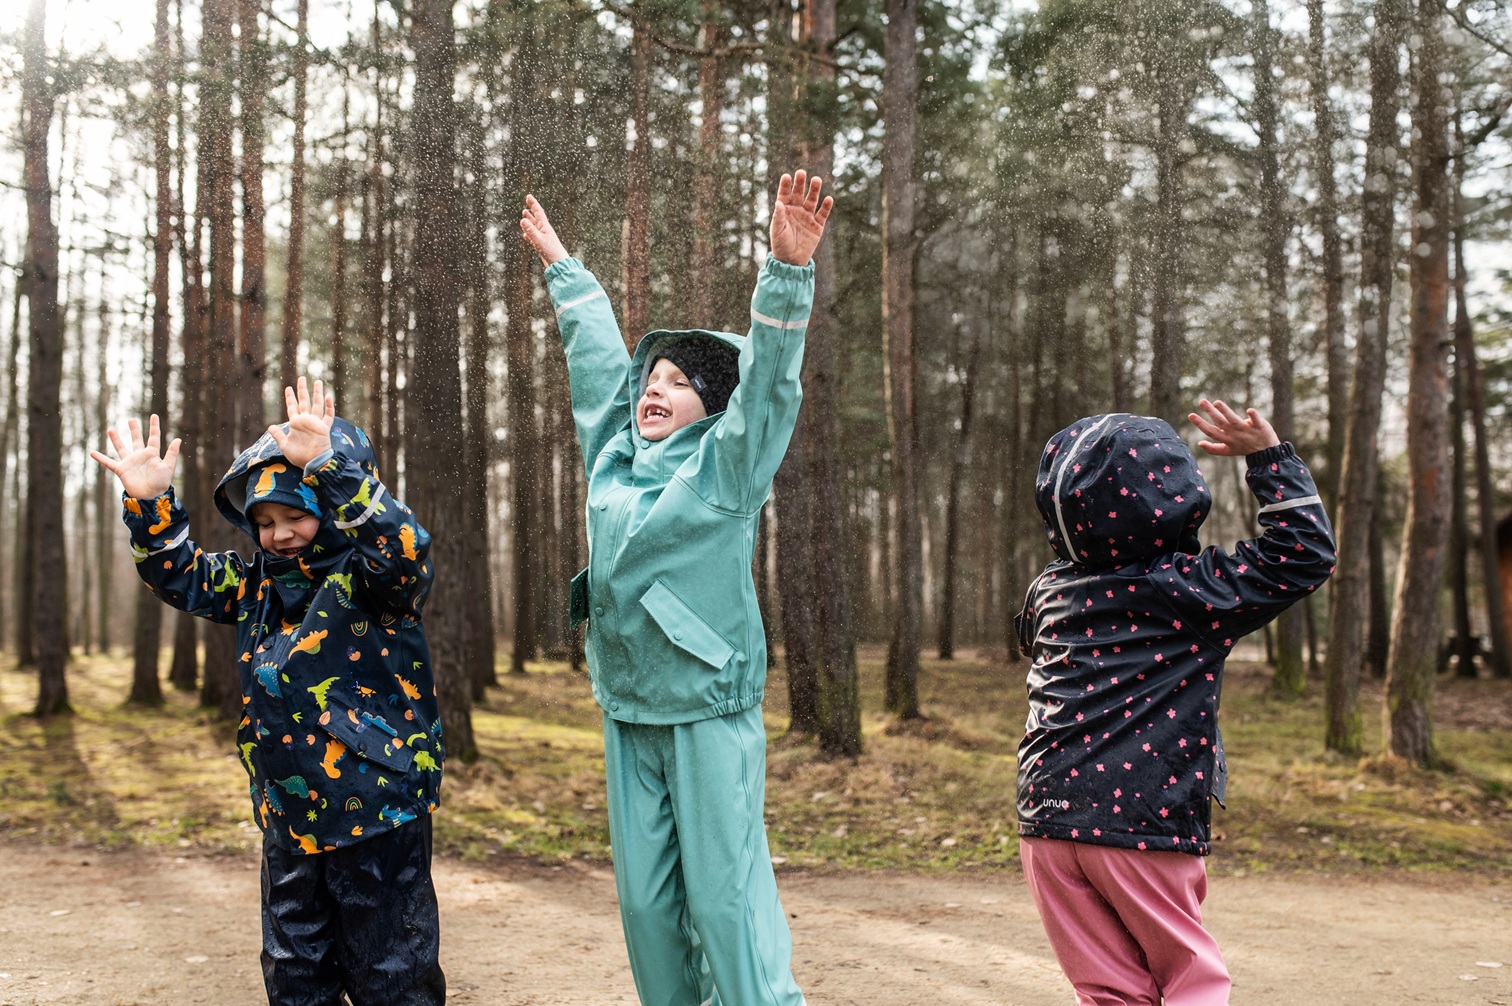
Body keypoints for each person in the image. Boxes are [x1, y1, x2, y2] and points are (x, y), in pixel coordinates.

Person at [518, 170, 833, 1006]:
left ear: (713, 409)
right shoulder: (613, 464)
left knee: (727, 911)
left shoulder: (726, 470)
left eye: (678, 382)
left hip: (706, 716)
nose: (654, 388)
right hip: (629, 710)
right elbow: (597, 376)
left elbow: (768, 385)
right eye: (651, 379)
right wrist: (566, 272)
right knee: (648, 913)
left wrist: (787, 272)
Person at [90, 379, 446, 1006]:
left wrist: (331, 471)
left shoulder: (374, 579)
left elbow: (404, 549)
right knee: (294, 968)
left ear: (333, 505)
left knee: (391, 970)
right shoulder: (256, 582)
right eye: (265, 522)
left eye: (296, 515)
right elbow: (181, 575)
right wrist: (151, 507)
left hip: (378, 810)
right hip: (288, 814)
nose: (280, 534)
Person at [1013, 401, 1336, 1006]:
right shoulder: (1186, 589)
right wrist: (1269, 459)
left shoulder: (1050, 590)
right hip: (1140, 819)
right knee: (1191, 981)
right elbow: (1303, 555)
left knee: (1109, 990)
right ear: (1176, 501)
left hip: (1046, 820)